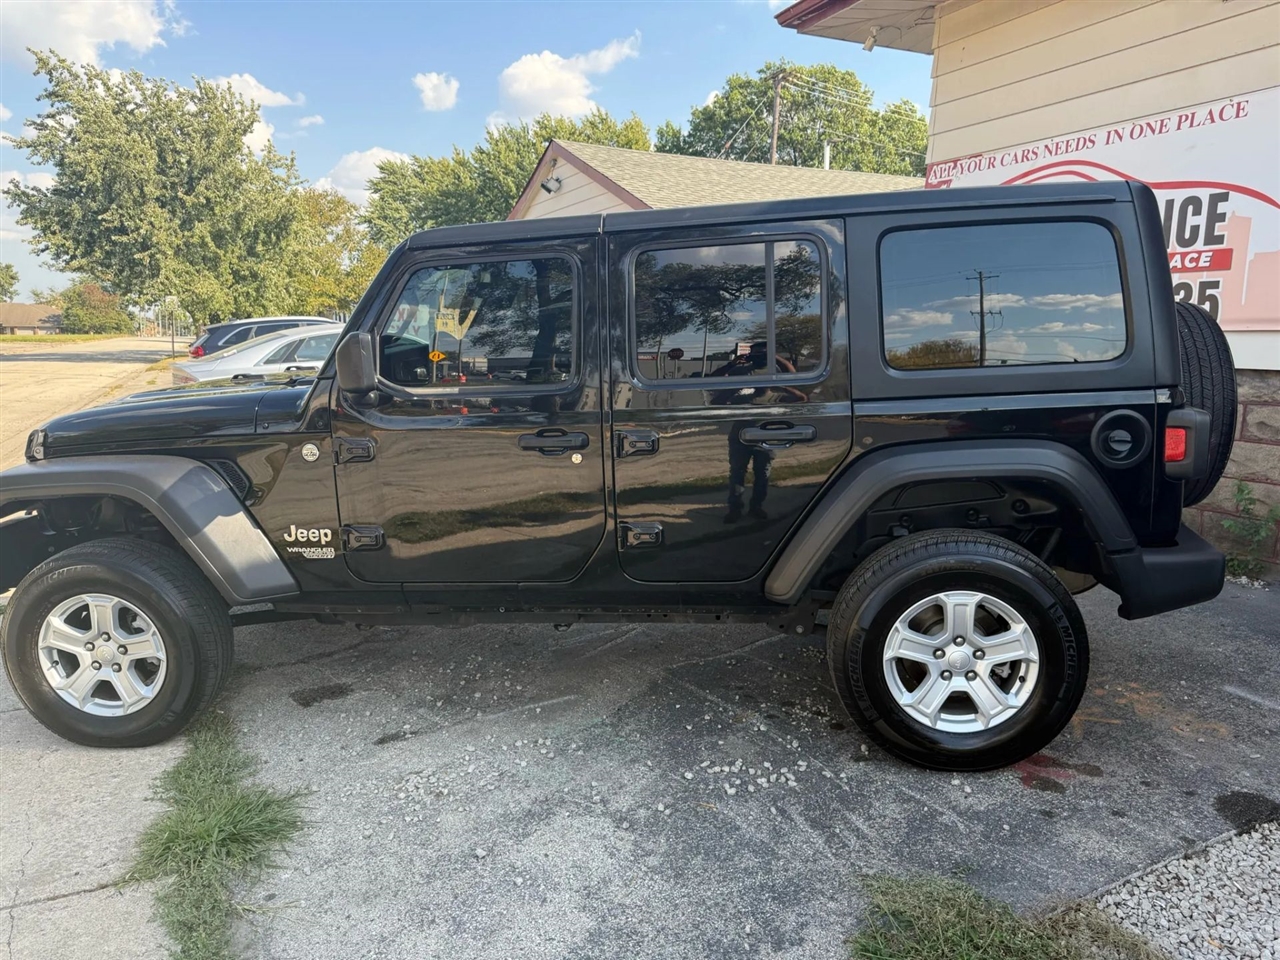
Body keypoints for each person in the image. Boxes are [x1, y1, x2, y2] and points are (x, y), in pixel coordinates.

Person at [709, 343, 807, 523]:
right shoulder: (743, 377)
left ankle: (756, 507)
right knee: (737, 473)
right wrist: (734, 377)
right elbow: (715, 390)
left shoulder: (775, 383)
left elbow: (798, 390)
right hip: (741, 437)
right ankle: (735, 508)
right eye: (756, 354)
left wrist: (774, 359)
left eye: (764, 353)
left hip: (765, 438)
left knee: (762, 474)